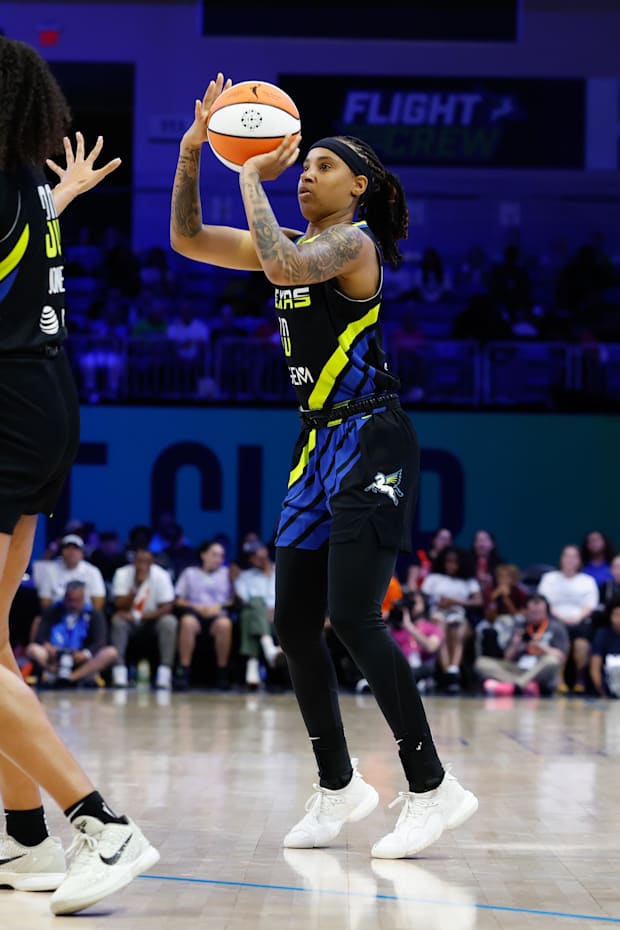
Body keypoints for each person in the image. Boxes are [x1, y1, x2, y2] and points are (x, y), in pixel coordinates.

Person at [170, 73, 478, 859]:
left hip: (373, 437)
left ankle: (433, 787)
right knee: (294, 625)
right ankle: (340, 786)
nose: (306, 174)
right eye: (303, 165)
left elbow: (279, 267)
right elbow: (188, 238)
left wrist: (249, 175)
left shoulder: (354, 246)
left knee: (355, 617)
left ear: (358, 186)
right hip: (316, 444)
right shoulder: (295, 242)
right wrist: (194, 152)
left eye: (323, 166)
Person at [0, 36, 158, 914]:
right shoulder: (22, 177)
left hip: (10, 406)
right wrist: (61, 197)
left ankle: (102, 826)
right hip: (40, 398)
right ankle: (25, 839)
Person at [475, 594, 569, 697]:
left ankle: (517, 685)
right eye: (533, 612)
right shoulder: (520, 627)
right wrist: (515, 645)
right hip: (519, 668)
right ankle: (526, 686)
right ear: (525, 611)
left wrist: (541, 647)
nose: (536, 614)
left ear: (546, 611)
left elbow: (561, 657)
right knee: (481, 663)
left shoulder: (556, 628)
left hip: (541, 670)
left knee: (552, 660)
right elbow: (507, 658)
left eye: (539, 612)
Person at [25, 580, 117, 687]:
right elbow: (40, 637)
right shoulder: (52, 611)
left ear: (83, 598)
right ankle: (54, 673)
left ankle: (72, 678)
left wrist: (85, 653)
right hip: (55, 658)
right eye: (70, 600)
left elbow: (100, 641)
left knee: (111, 653)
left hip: (81, 659)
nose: (73, 604)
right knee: (33, 649)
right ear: (64, 597)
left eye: (77, 600)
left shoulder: (94, 614)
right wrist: (49, 648)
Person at [109, 548, 178, 690]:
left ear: (152, 562)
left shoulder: (161, 575)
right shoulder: (122, 573)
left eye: (146, 562)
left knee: (169, 622)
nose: (142, 565)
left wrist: (138, 616)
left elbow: (167, 607)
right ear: (133, 561)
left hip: (153, 622)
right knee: (118, 621)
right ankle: (119, 673)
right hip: (129, 623)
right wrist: (135, 588)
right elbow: (119, 605)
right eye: (139, 561)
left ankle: (164, 674)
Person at [173, 539, 234, 691]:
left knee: (224, 624)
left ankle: (222, 672)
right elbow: (178, 599)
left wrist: (219, 606)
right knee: (187, 622)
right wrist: (195, 607)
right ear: (203, 555)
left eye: (221, 556)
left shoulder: (227, 574)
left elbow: (233, 600)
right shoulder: (189, 573)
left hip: (217, 614)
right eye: (214, 554)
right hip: (194, 612)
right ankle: (184, 671)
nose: (218, 559)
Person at [538, 545, 600, 693]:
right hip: (555, 620)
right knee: (560, 636)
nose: (570, 560)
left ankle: (580, 680)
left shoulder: (587, 581)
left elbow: (591, 606)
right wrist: (561, 618)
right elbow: (544, 603)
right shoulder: (549, 578)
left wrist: (577, 618)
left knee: (581, 644)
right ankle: (559, 680)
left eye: (574, 556)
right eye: (567, 556)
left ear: (579, 560)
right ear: (561, 559)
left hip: (580, 621)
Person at [421, 545, 483, 694]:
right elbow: (422, 598)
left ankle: (453, 669)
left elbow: (478, 601)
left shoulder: (469, 581)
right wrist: (437, 603)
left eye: (455, 562)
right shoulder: (433, 578)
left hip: (459, 615)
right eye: (448, 561)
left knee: (458, 629)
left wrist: (456, 602)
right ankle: (448, 672)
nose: (451, 565)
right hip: (437, 615)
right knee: (440, 628)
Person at [234, 540, 285, 690]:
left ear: (265, 550)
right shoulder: (245, 576)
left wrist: (276, 611)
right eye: (251, 556)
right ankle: (270, 650)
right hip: (259, 617)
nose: (256, 557)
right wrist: (264, 611)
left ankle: (252, 664)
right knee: (253, 607)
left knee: (250, 616)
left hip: (281, 616)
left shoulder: (282, 570)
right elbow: (244, 600)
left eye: (257, 552)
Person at [589, 599, 620, 699]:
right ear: (610, 616)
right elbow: (595, 668)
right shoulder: (602, 634)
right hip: (610, 685)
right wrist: (602, 693)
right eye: (617, 615)